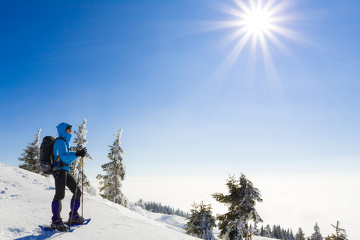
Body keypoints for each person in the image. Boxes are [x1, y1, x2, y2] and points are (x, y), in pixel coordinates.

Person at [51, 122, 87, 231]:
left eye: (71, 129)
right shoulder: (60, 142)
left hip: (64, 170)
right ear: (63, 130)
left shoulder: (64, 142)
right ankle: (56, 221)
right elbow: (64, 157)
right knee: (59, 195)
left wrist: (77, 154)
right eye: (69, 129)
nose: (71, 131)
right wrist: (77, 154)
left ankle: (74, 216)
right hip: (59, 170)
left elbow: (65, 157)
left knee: (77, 191)